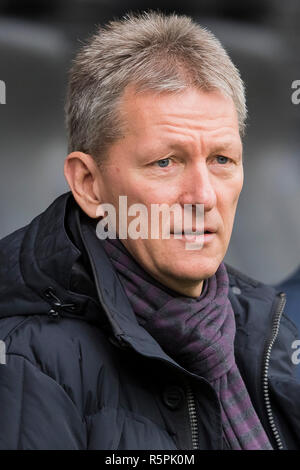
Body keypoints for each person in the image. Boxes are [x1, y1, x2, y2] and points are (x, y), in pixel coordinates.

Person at [0, 11, 299, 450]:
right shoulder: (23, 363)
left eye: (222, 160)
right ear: (88, 183)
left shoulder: (270, 331)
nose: (203, 196)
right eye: (165, 162)